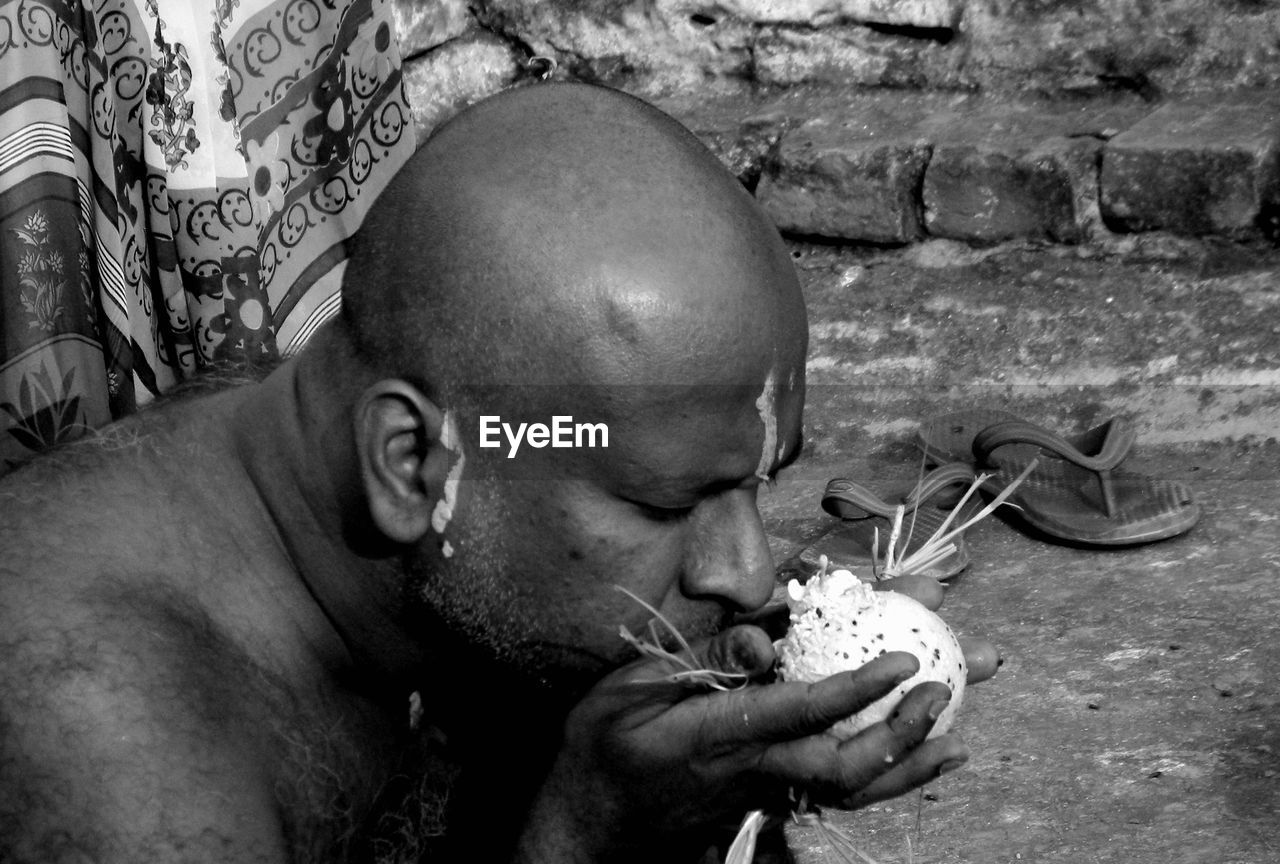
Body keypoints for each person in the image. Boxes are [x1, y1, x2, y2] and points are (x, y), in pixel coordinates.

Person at [0, 82, 996, 863]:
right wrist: (583, 837)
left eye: (756, 485)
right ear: (408, 464)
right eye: (665, 501)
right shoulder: (118, 755)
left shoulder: (385, 476)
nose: (747, 573)